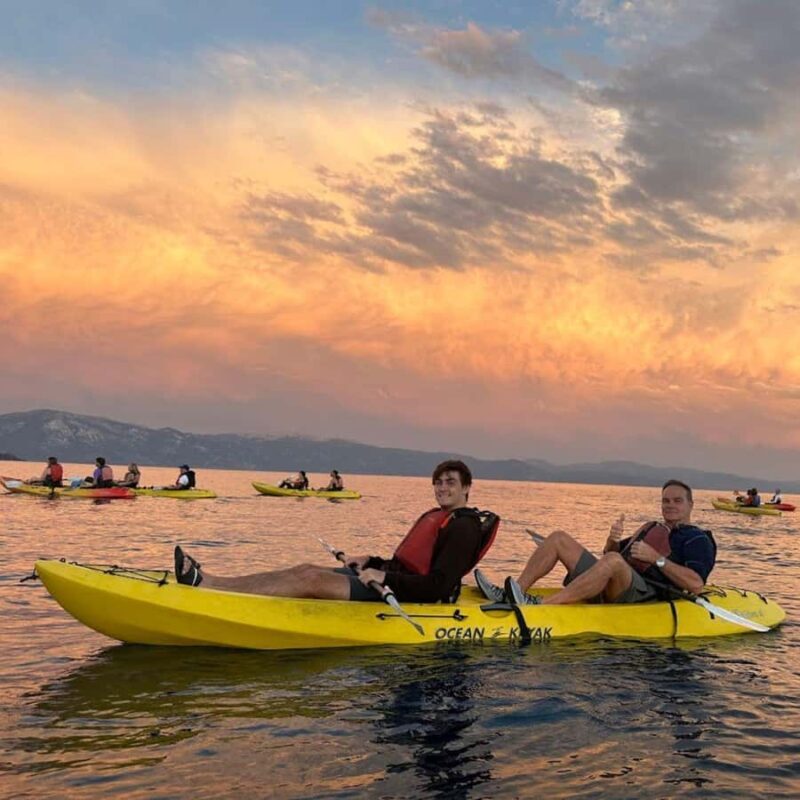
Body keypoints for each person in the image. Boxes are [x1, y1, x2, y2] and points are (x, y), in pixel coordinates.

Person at [174, 460, 500, 604]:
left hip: (407, 595)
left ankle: (209, 587)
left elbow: (437, 586)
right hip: (392, 580)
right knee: (306, 569)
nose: (442, 488)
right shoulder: (441, 517)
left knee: (310, 581)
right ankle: (214, 583)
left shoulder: (463, 527)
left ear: (467, 488)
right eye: (439, 482)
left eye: (451, 483)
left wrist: (385, 578)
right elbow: (413, 563)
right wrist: (372, 560)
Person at [475, 479, 715, 606]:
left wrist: (657, 559)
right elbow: (611, 553)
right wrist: (612, 538)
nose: (670, 505)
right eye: (665, 501)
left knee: (613, 561)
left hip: (646, 594)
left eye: (677, 501)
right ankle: (515, 593)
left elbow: (695, 585)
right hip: (619, 582)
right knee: (559, 537)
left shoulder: (696, 538)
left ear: (690, 505)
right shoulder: (650, 527)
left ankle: (543, 605)